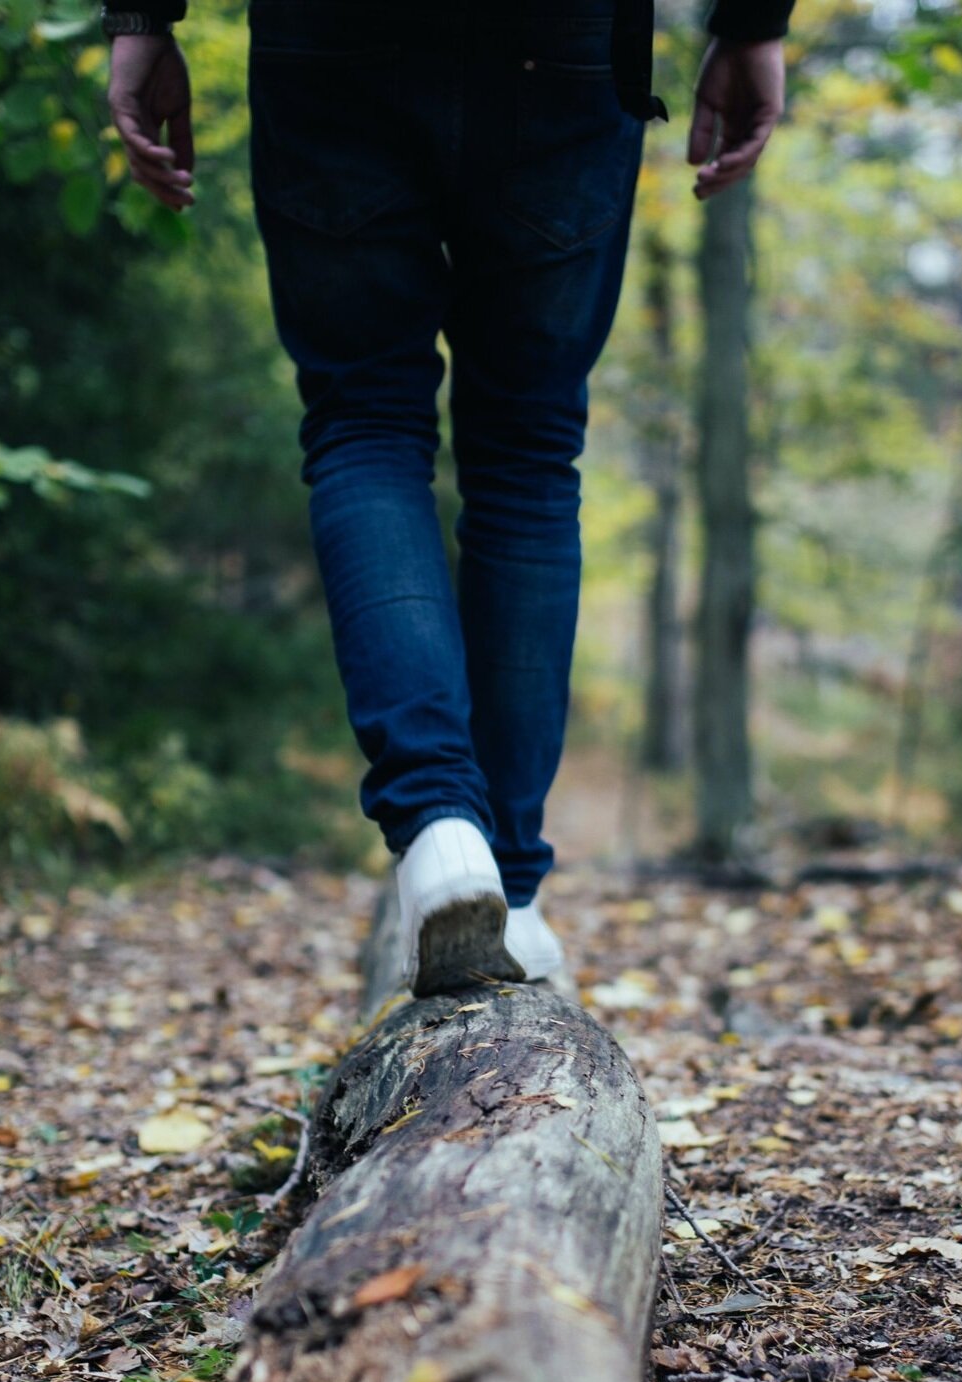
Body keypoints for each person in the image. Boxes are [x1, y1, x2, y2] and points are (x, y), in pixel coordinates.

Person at [105, 0, 790, 995]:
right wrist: (752, 24)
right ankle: (507, 889)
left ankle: (439, 833)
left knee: (364, 422)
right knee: (525, 453)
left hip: (328, 39)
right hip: (561, 42)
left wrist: (138, 18)